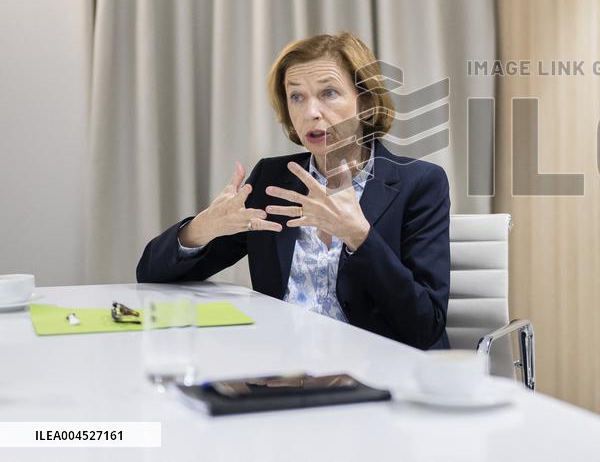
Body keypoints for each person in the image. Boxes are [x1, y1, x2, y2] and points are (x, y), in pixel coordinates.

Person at [137, 33, 450, 350]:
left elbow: (425, 327)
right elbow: (150, 274)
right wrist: (201, 229)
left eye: (328, 93)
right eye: (296, 97)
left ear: (366, 103)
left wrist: (359, 237)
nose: (311, 111)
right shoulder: (272, 180)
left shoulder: (419, 183)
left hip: (378, 374)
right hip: (283, 372)